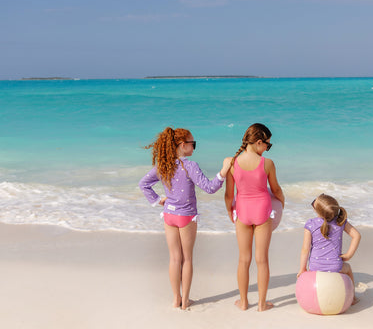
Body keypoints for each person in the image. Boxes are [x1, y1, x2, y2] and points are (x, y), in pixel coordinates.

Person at [139, 127, 231, 310]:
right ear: (183, 145)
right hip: (186, 216)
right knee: (187, 259)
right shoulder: (190, 166)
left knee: (174, 259)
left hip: (169, 215)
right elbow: (210, 188)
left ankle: (175, 299)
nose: (194, 147)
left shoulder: (163, 166)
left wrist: (158, 200)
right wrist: (223, 171)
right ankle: (186, 301)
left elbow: (144, 184)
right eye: (193, 144)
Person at [223, 123, 285, 312]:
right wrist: (282, 201)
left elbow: (228, 194)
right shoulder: (267, 163)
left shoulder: (232, 162)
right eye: (268, 144)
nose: (267, 147)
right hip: (263, 212)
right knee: (262, 259)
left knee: (244, 259)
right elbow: (275, 189)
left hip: (242, 212)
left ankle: (243, 302)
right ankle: (261, 304)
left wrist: (230, 212)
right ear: (259, 142)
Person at [297, 193, 361, 305]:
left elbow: (305, 249)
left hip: (315, 267)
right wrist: (348, 255)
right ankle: (352, 298)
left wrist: (302, 269)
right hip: (335, 267)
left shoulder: (310, 224)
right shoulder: (340, 222)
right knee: (348, 268)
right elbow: (356, 235)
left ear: (317, 211)